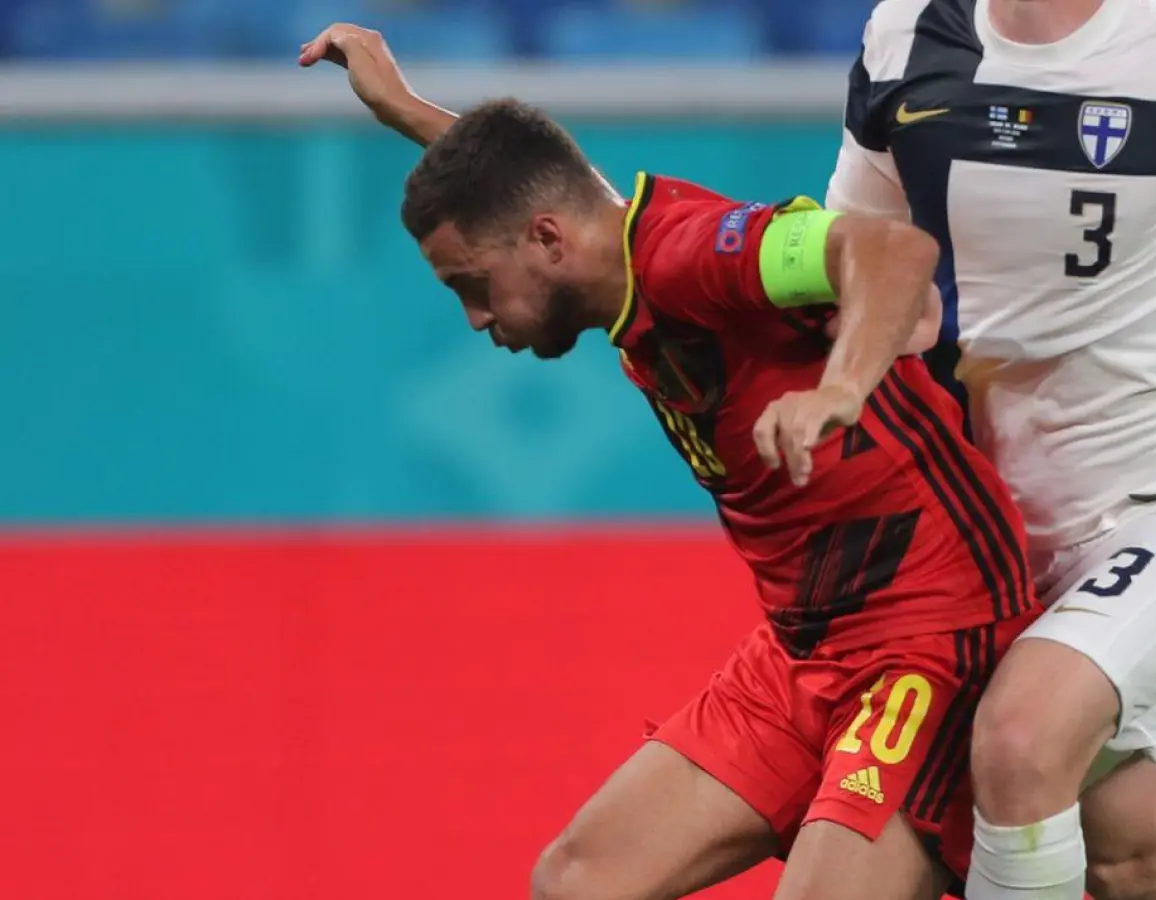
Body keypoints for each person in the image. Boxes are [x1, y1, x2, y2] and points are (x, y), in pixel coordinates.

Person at [300, 23, 1043, 900]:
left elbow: (893, 251)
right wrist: (408, 113)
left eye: (472, 286)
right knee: (579, 882)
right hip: (807, 648)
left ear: (545, 243)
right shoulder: (600, 239)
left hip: (928, 635)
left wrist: (840, 390)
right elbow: (542, 194)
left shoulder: (691, 256)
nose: (474, 318)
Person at [826, 0, 1156, 897]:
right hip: (994, 547)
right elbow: (856, 252)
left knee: (1019, 743)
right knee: (1132, 861)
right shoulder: (906, 35)